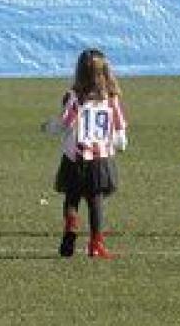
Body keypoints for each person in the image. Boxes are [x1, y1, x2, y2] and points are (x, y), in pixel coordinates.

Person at [46, 48, 127, 259]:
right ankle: (96, 244)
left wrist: (48, 127)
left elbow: (65, 124)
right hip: (100, 158)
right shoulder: (110, 98)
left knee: (71, 198)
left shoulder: (76, 98)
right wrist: (120, 142)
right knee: (96, 200)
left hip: (76, 156)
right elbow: (119, 127)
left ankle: (71, 227)